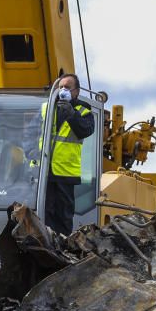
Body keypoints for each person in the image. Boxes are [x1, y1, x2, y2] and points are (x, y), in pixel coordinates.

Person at [39, 73, 95, 236]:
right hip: (44, 172)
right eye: (61, 86)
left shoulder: (83, 111)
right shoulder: (46, 108)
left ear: (76, 92)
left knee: (63, 216)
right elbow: (31, 132)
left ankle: (62, 250)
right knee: (44, 215)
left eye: (67, 87)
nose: (63, 90)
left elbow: (85, 130)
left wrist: (72, 114)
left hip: (65, 173)